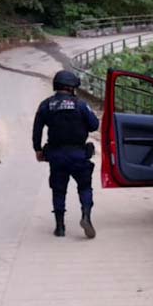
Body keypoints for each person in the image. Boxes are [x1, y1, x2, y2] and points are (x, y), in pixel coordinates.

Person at [33, 70, 100, 238]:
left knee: (58, 190)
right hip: (79, 154)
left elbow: (37, 129)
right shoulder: (81, 105)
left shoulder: (45, 105)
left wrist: (38, 150)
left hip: (56, 155)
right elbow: (94, 125)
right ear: (71, 87)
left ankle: (60, 227)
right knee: (84, 187)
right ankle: (85, 215)